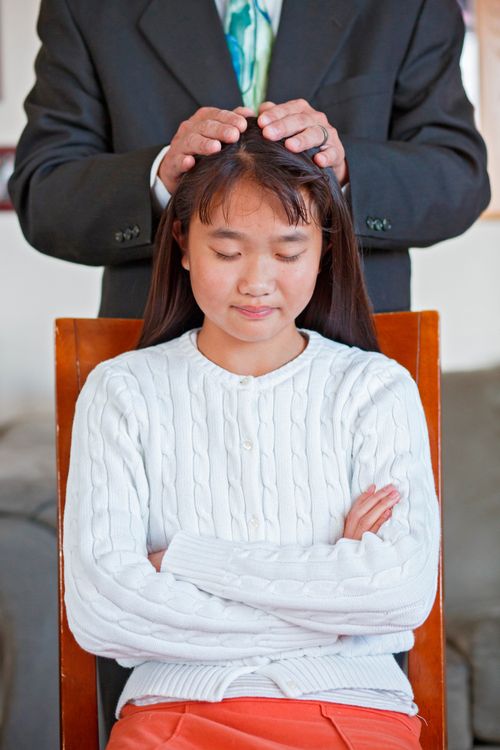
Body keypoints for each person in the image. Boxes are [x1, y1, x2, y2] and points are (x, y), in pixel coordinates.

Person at [63, 119, 440, 749]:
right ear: (183, 243)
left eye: (289, 253)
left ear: (324, 249)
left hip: (349, 710)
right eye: (228, 252)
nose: (257, 282)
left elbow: (398, 593)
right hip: (175, 712)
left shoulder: (374, 388)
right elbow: (105, 613)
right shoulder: (122, 390)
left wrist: (183, 560)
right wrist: (335, 612)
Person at [8, 0, 490, 316]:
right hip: (155, 369)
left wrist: (343, 172)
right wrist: (159, 179)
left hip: (350, 362)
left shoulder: (409, 7)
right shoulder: (86, 8)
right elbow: (43, 192)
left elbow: (458, 177)